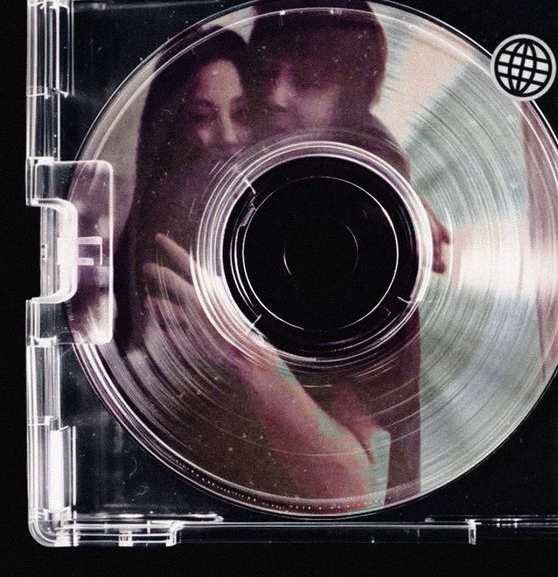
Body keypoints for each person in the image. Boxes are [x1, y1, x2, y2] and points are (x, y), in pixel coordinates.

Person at [113, 25, 396, 512]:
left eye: (242, 113)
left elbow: (357, 487)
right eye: (201, 117)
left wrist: (243, 351)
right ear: (171, 127)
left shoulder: (303, 227)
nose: (226, 137)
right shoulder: (149, 243)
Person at [245, 0, 450, 504]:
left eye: (308, 81)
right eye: (266, 74)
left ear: (353, 95)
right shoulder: (262, 140)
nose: (275, 95)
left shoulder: (368, 162)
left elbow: (364, 468)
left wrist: (396, 205)